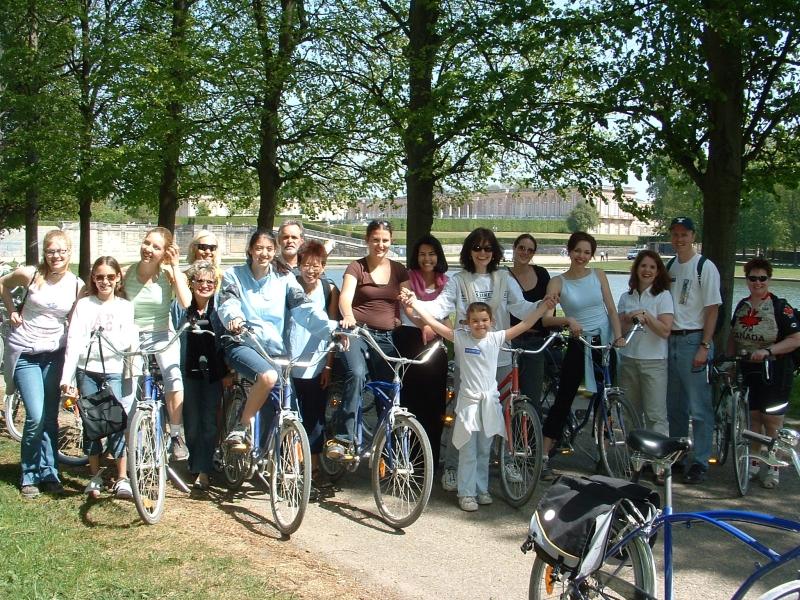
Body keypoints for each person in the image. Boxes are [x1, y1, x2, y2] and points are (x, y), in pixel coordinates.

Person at [411, 227, 545, 492]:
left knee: (498, 415)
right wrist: (415, 303)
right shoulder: (459, 280)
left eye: (487, 248)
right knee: (464, 416)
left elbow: (521, 307)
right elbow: (439, 308)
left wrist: (544, 303)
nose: (482, 253)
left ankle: (501, 461)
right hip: (469, 359)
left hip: (500, 356)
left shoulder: (504, 278)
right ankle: (452, 466)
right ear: (469, 251)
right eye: (477, 247)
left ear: (494, 252)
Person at [399, 297, 556, 511]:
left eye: (484, 320)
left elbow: (525, 324)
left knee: (484, 449)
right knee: (468, 450)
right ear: (467, 322)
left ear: (491, 321)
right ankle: (466, 493)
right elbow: (434, 323)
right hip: (468, 403)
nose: (480, 324)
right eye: (475, 321)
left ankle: (481, 489)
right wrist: (415, 304)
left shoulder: (496, 338)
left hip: (489, 403)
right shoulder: (461, 338)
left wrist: (544, 307)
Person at [217, 228, 338, 451]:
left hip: (274, 349)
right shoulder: (233, 274)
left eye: (269, 249)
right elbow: (228, 302)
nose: (264, 253)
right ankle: (241, 427)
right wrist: (234, 318)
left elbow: (304, 308)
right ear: (250, 250)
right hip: (242, 343)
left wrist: (332, 329)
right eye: (259, 248)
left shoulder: (284, 278)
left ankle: (265, 455)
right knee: (268, 376)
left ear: (275, 252)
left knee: (285, 406)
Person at [0, 229, 84, 499]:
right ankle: (29, 473)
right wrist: (12, 310)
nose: (56, 256)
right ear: (44, 254)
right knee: (35, 416)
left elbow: (79, 320)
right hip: (26, 353)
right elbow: (2, 284)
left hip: (54, 355)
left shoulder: (76, 285)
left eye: (61, 251)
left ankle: (50, 472)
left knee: (50, 417)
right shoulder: (30, 275)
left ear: (69, 253)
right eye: (51, 251)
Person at [540, 231, 625, 479]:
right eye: (578, 251)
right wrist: (567, 320)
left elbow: (611, 308)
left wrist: (618, 337)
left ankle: (604, 453)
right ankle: (545, 454)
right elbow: (546, 319)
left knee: (606, 398)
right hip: (579, 343)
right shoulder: (558, 282)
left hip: (603, 342)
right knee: (564, 397)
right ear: (570, 251)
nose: (582, 256)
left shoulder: (598, 275)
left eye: (587, 252)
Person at [325, 219, 408, 460]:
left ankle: (388, 448)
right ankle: (343, 439)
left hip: (386, 336)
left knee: (391, 387)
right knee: (357, 374)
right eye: (375, 240)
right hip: (358, 332)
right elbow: (345, 297)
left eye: (385, 240)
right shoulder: (356, 267)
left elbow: (408, 300)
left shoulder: (399, 269)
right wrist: (348, 315)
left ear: (391, 241)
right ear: (367, 241)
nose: (380, 244)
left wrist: (421, 320)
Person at [60, 256, 136, 499]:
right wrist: (67, 378)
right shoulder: (84, 305)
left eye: (110, 277)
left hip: (113, 369)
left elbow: (126, 342)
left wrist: (107, 338)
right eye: (100, 277)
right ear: (93, 278)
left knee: (116, 421)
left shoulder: (125, 306)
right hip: (87, 370)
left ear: (118, 279)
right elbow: (73, 341)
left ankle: (122, 477)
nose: (105, 281)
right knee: (92, 424)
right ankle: (95, 475)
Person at [727, 257, 800, 489]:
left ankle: (774, 467)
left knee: (772, 421)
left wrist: (769, 350)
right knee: (753, 419)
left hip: (775, 369)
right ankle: (755, 462)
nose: (757, 282)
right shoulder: (742, 306)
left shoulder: (781, 307)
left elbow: (796, 339)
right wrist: (730, 362)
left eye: (762, 278)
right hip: (749, 369)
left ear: (769, 279)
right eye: (752, 278)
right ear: (747, 280)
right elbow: (733, 336)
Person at [123, 227, 192, 460]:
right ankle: (134, 438)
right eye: (146, 243)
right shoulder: (126, 273)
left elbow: (186, 302)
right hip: (132, 336)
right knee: (130, 385)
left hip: (162, 333)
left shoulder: (168, 274)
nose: (148, 250)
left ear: (164, 252)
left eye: (156, 247)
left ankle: (175, 434)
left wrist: (174, 265)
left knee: (173, 376)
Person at [666, 216, 722, 484]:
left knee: (699, 407)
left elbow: (712, 309)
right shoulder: (670, 265)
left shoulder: (704, 267)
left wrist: (705, 345)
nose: (679, 239)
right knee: (675, 406)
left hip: (694, 340)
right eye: (675, 234)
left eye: (684, 234)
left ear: (693, 236)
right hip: (670, 339)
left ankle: (699, 461)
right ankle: (678, 455)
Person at [617, 250, 674, 484]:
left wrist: (647, 317)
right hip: (628, 359)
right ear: (636, 269)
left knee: (655, 415)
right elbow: (619, 327)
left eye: (652, 267)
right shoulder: (626, 296)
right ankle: (636, 461)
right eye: (643, 266)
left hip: (654, 362)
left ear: (658, 271)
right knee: (631, 414)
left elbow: (665, 331)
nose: (647, 271)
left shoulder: (663, 297)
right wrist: (629, 317)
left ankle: (661, 466)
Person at [171, 260, 227, 490]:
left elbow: (226, 342)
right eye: (200, 281)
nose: (205, 285)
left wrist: (228, 371)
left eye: (210, 282)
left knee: (209, 421)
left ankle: (204, 470)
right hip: (188, 371)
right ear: (191, 283)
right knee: (191, 423)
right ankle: (195, 461)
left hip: (214, 373)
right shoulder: (182, 307)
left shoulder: (220, 307)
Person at [396, 234, 450, 468]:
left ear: (438, 256)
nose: (427, 258)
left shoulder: (445, 281)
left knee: (435, 402)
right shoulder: (408, 278)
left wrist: (443, 331)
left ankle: (431, 461)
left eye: (431, 253)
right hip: (411, 338)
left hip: (436, 341)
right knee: (411, 400)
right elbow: (408, 310)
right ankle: (408, 458)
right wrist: (425, 325)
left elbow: (447, 312)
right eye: (422, 254)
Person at [288, 241, 340, 478]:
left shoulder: (329, 289)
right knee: (289, 414)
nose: (311, 270)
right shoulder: (289, 286)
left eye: (316, 265)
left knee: (315, 414)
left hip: (316, 364)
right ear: (298, 265)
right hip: (289, 362)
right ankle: (289, 462)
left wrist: (329, 364)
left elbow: (332, 330)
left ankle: (314, 465)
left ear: (323, 267)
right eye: (306, 264)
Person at [506, 233, 552, 411]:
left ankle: (530, 436)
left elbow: (548, 307)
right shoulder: (504, 276)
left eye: (530, 250)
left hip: (535, 342)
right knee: (508, 394)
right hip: (511, 340)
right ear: (514, 248)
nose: (525, 252)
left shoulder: (541, 273)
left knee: (532, 398)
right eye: (521, 248)